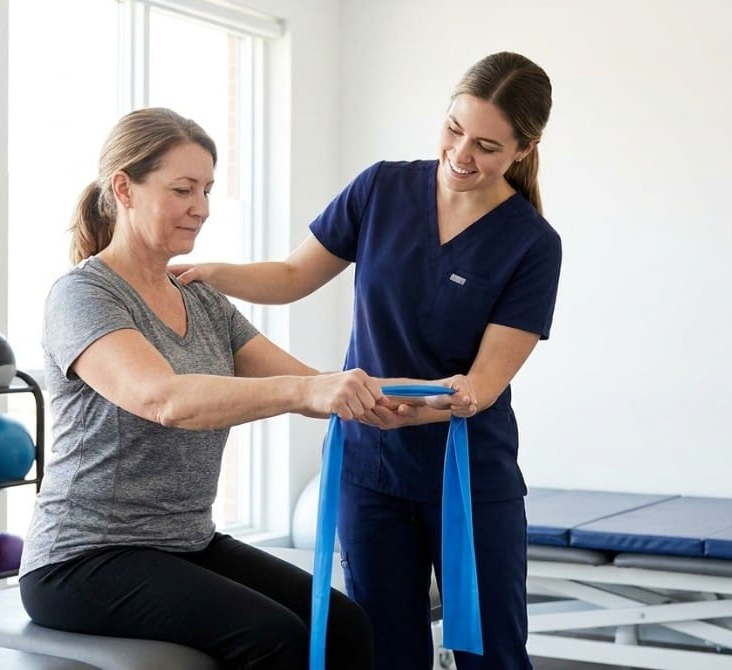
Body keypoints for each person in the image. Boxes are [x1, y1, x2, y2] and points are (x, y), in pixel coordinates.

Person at [17, 107, 474, 670]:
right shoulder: (84, 296)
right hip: (84, 558)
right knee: (271, 636)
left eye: (207, 189)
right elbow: (165, 399)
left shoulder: (201, 298)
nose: (201, 208)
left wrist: (426, 398)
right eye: (182, 189)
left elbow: (315, 383)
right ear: (123, 189)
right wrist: (309, 394)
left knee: (346, 625)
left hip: (186, 541)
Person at [171, 52, 562, 669]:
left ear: (525, 147)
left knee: (493, 655)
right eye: (454, 130)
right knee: (383, 648)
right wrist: (212, 272)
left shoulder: (531, 244)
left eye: (487, 145)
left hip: (467, 477)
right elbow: (295, 274)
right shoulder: (382, 187)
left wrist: (423, 407)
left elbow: (482, 385)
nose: (461, 154)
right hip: (368, 469)